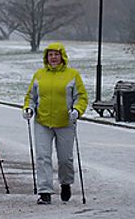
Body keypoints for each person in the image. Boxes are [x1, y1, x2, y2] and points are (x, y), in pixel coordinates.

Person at [22, 43, 88, 205]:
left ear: (62, 57)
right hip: (42, 122)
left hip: (65, 122)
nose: (53, 57)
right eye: (50, 55)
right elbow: (31, 96)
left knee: (65, 158)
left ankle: (65, 183)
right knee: (43, 156)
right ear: (46, 57)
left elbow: (81, 97)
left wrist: (77, 110)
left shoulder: (73, 75)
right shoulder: (39, 75)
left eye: (56, 55)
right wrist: (28, 108)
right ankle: (45, 191)